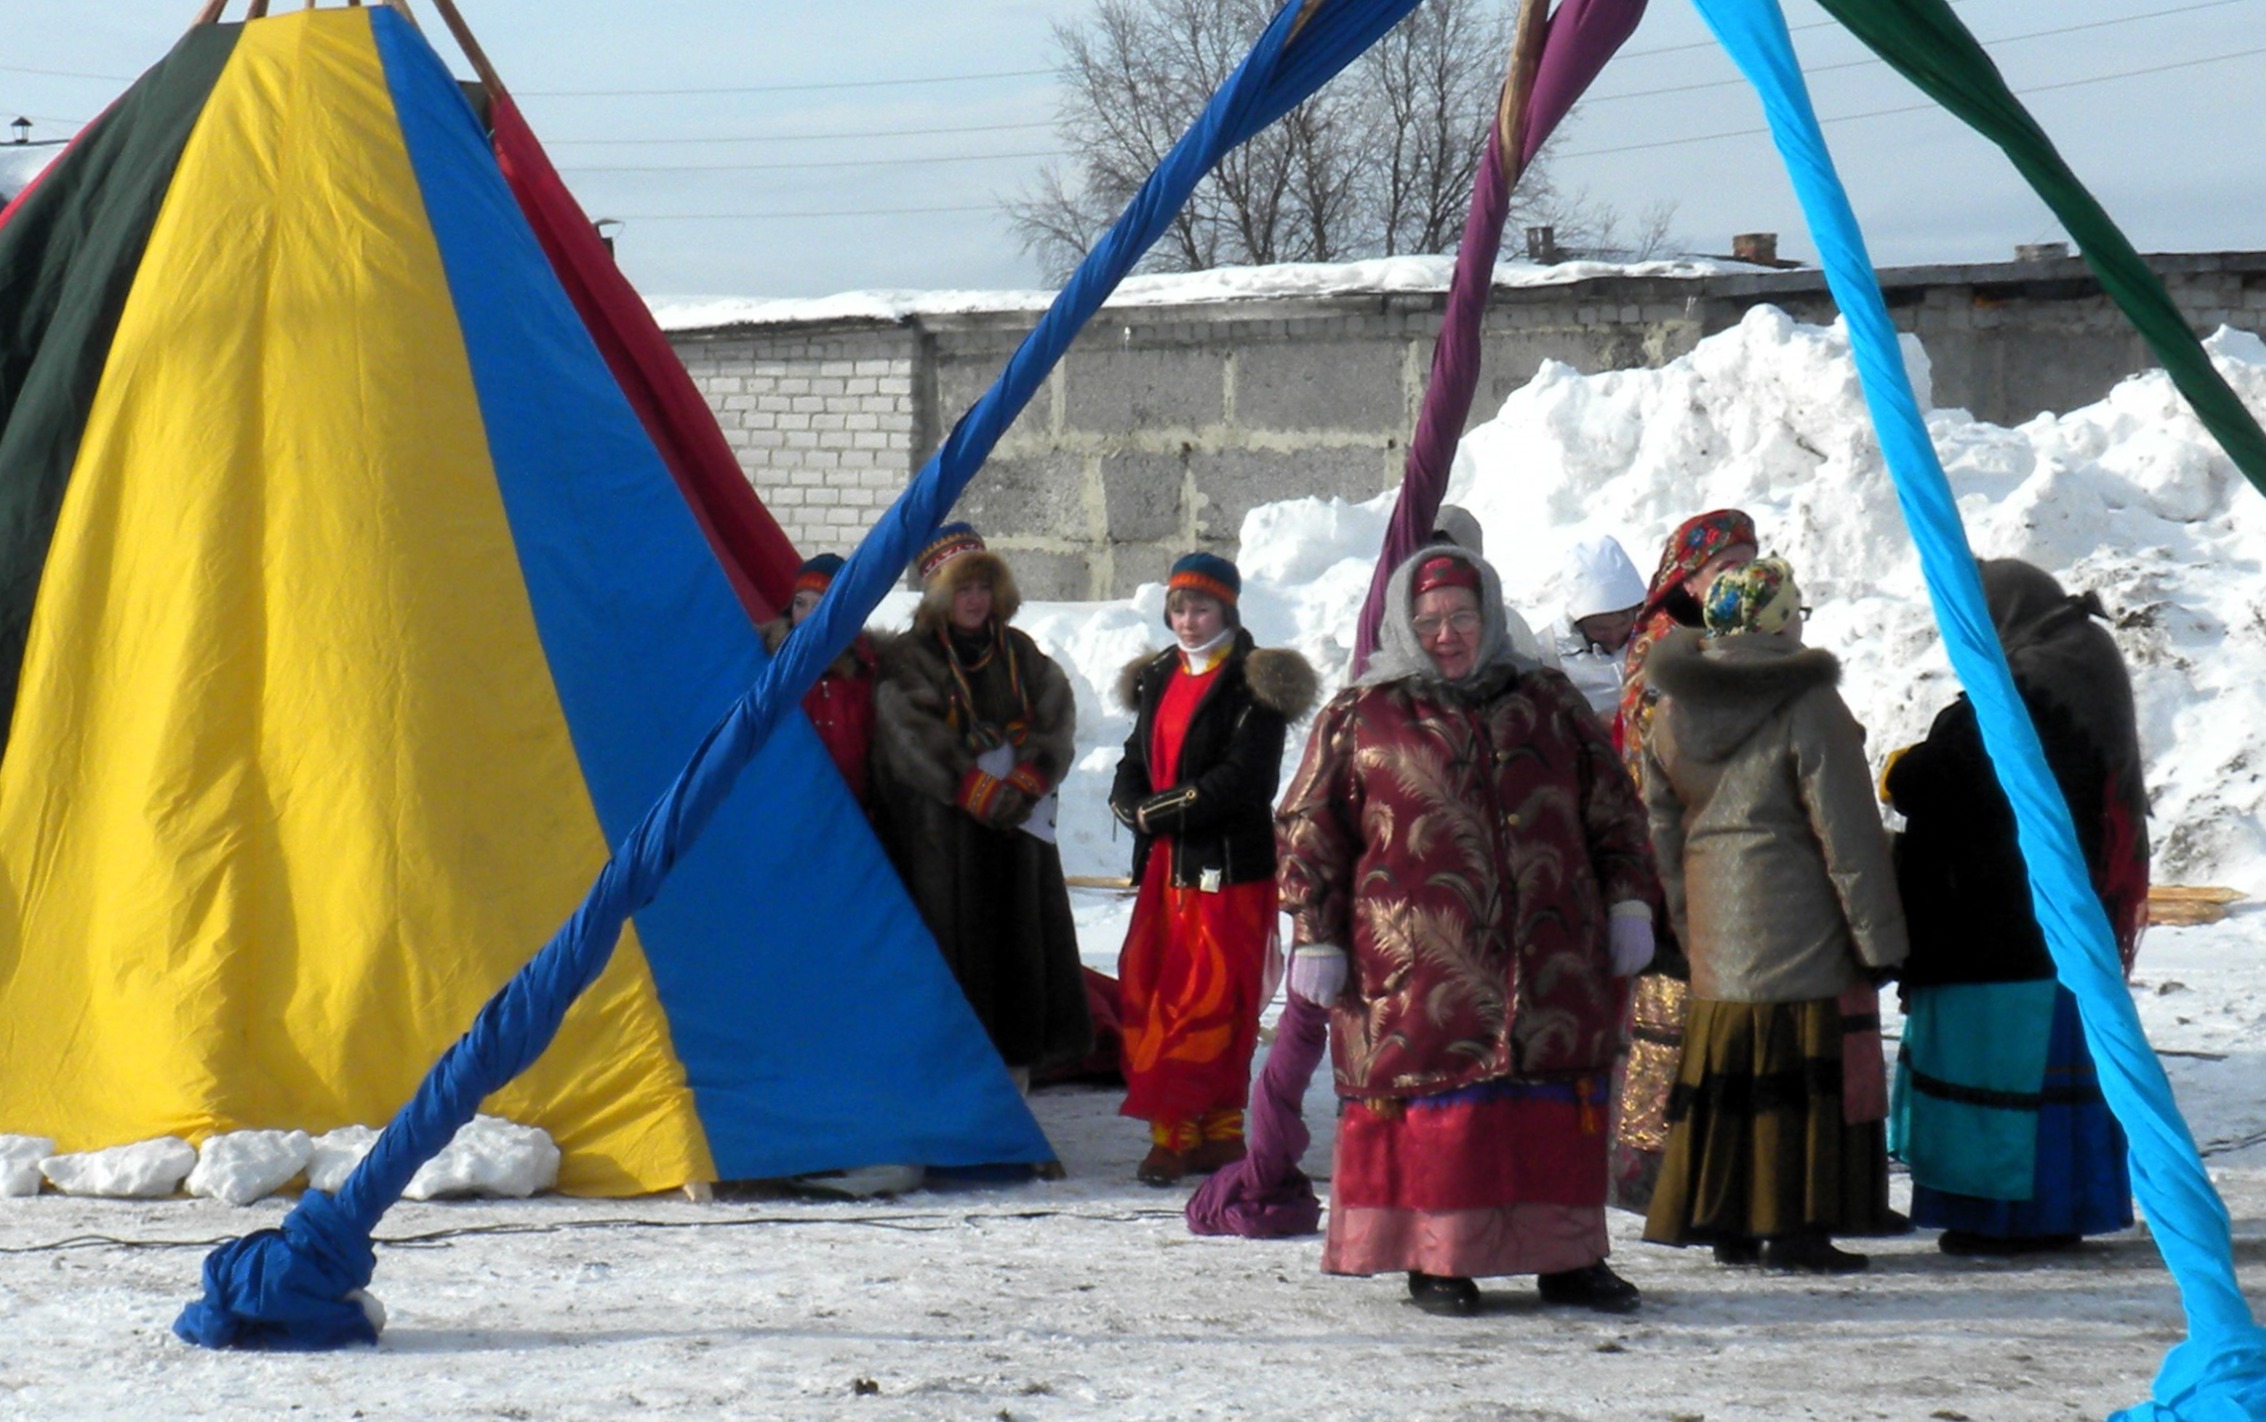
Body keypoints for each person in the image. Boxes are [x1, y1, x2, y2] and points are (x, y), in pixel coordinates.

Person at [1276, 544, 1662, 1316]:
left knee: (1551, 1118)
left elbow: (1613, 810)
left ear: (1489, 615)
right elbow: (1308, 829)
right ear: (1404, 627)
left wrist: (1628, 901)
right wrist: (1315, 932)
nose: (1447, 633)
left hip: (1552, 953)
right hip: (1418, 968)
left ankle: (1570, 1257)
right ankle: (1439, 1260)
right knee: (1445, 1123)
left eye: (1461, 616)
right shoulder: (1363, 713)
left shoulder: (1547, 701)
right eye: (1429, 622)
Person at [1639, 557, 1908, 1272]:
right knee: (1797, 1077)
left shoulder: (1671, 706)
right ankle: (1796, 1230)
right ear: (1780, 621)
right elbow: (1846, 831)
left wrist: (1689, 924)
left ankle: (1728, 1222)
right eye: (1798, 611)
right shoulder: (1808, 701)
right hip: (1798, 922)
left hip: (1718, 922)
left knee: (1729, 1077)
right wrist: (1880, 937)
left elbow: (1662, 828)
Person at [1885, 559, 2147, 1255]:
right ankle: (2054, 1211)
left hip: (1996, 930)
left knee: (1999, 1088)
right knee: (2044, 1090)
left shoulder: (2023, 696)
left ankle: (2004, 1221)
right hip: (2048, 928)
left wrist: (1895, 765)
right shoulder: (2074, 668)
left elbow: (1938, 779)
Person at [1110, 553, 1317, 1187]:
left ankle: (1214, 1128)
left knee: (1215, 1001)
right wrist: (1129, 803)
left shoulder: (1254, 685)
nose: (1188, 620)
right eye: (1178, 607)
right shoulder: (1159, 676)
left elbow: (1242, 780)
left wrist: (1156, 813)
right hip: (1166, 868)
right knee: (1155, 990)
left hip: (1226, 868)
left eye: (1201, 608)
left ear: (1227, 610)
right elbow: (1133, 759)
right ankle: (1173, 1127)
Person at [870, 523, 1092, 1088]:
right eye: (962, 589)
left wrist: (1026, 778)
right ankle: (951, 1085)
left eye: (982, 589)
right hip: (941, 841)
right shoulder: (911, 657)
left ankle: (1015, 1081)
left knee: (1018, 956)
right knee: (953, 956)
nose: (974, 600)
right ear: (940, 593)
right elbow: (907, 734)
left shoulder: (1019, 653)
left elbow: (1056, 715)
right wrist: (970, 786)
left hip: (1017, 838)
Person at [1608, 509, 1758, 1212]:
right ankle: (1647, 1159)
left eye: (1749, 562)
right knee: (1664, 1015)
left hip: (1730, 856)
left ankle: (1717, 1152)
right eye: (1725, 567)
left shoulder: (1740, 638)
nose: (1741, 577)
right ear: (1690, 579)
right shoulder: (1665, 646)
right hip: (1670, 854)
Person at [760, 552, 878, 803]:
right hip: (788, 808)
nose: (806, 615)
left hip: (853, 815)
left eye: (819, 605)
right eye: (800, 603)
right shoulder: (770, 667)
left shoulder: (867, 671)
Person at [1554, 535, 1649, 721]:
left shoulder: (1658, 633)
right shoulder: (1547, 652)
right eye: (1600, 629)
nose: (1614, 636)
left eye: (1622, 624)